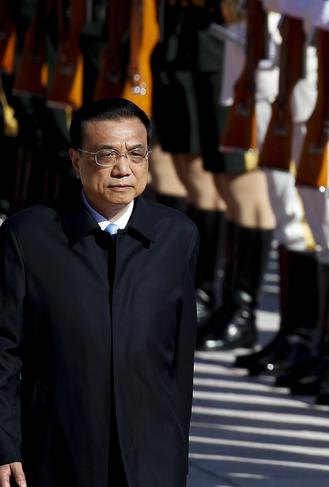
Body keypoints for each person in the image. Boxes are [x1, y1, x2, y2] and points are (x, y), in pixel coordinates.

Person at [0, 97, 199, 487]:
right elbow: (3, 351)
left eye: (136, 153)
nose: (123, 169)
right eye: (106, 155)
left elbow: (179, 359)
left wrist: (177, 452)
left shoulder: (177, 236)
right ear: (76, 160)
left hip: (151, 457)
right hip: (57, 450)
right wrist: (5, 444)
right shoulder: (28, 237)